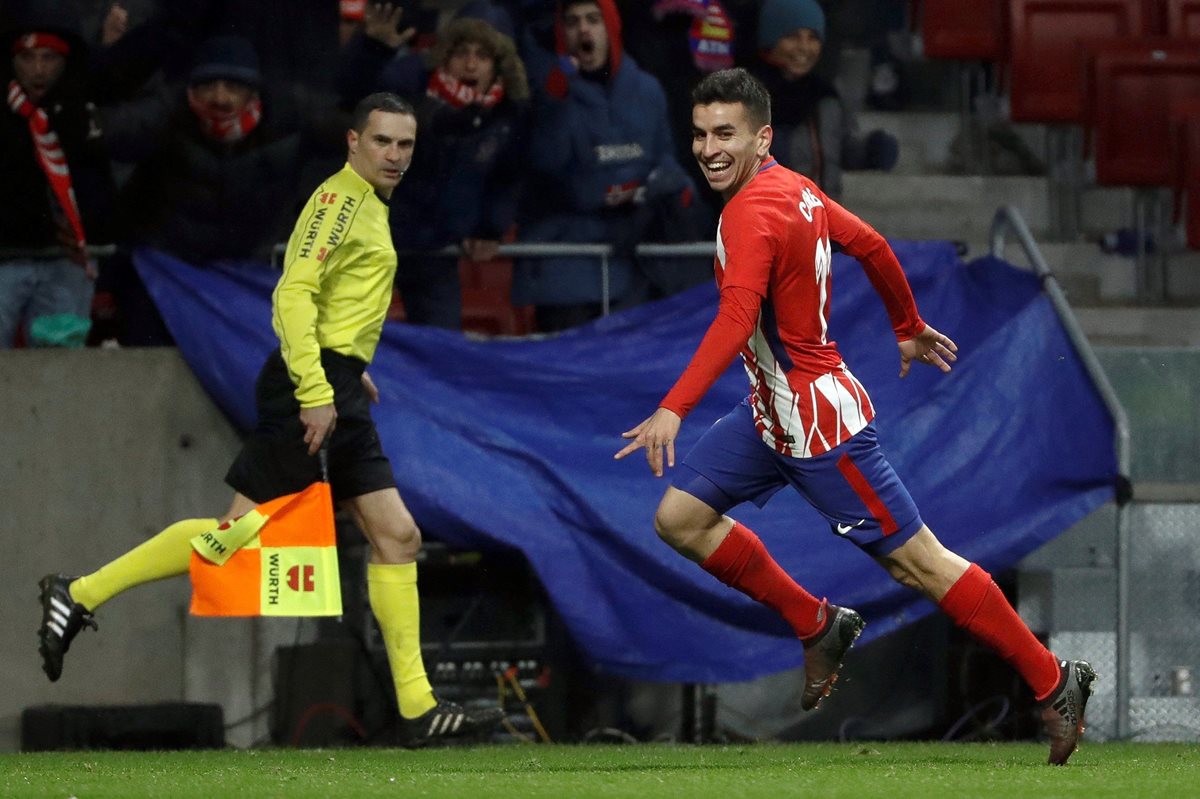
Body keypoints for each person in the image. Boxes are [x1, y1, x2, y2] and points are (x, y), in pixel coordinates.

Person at [614, 68, 1094, 766]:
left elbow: (737, 317)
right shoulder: (794, 189)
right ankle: (816, 622)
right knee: (679, 518)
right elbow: (870, 243)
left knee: (921, 565)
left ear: (762, 134)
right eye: (699, 134)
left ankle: (1055, 680)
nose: (709, 148)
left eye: (726, 133)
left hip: (817, 429)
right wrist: (906, 322)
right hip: (770, 417)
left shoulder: (751, 210)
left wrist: (672, 407)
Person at [36, 92, 505, 746]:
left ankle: (420, 709)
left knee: (397, 534)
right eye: (383, 142)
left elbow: (333, 300)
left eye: (405, 145)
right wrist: (317, 386)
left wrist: (349, 366)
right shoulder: (340, 201)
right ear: (353, 142)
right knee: (234, 538)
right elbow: (292, 293)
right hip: (306, 391)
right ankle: (78, 591)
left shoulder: (368, 205)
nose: (395, 155)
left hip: (334, 385)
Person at [514, 0, 705, 332]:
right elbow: (546, 169)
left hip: (636, 268)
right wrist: (554, 105)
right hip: (565, 268)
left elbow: (666, 162)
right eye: (572, 22)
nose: (583, 29)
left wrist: (666, 193)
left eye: (593, 20)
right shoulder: (549, 93)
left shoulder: (648, 91)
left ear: (611, 28)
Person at [342, 3, 530, 329]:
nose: (470, 64)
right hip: (373, 241)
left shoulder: (508, 113)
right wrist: (372, 49)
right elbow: (352, 95)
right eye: (461, 52)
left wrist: (489, 227)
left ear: (500, 65)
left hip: (437, 252)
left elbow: (507, 177)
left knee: (440, 349)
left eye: (483, 56)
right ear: (444, 54)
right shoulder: (408, 83)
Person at [0, 0, 116, 348]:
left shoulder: (80, 115)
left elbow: (100, 188)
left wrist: (88, 233)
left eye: (48, 59)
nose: (37, 70)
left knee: (60, 370)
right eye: (27, 58)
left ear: (65, 62)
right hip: (4, 260)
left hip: (65, 264)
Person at [751, 0, 898, 201]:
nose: (804, 47)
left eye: (813, 38)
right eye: (793, 37)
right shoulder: (745, 99)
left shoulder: (824, 97)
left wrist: (871, 149)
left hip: (820, 224)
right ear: (770, 41)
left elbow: (841, 150)